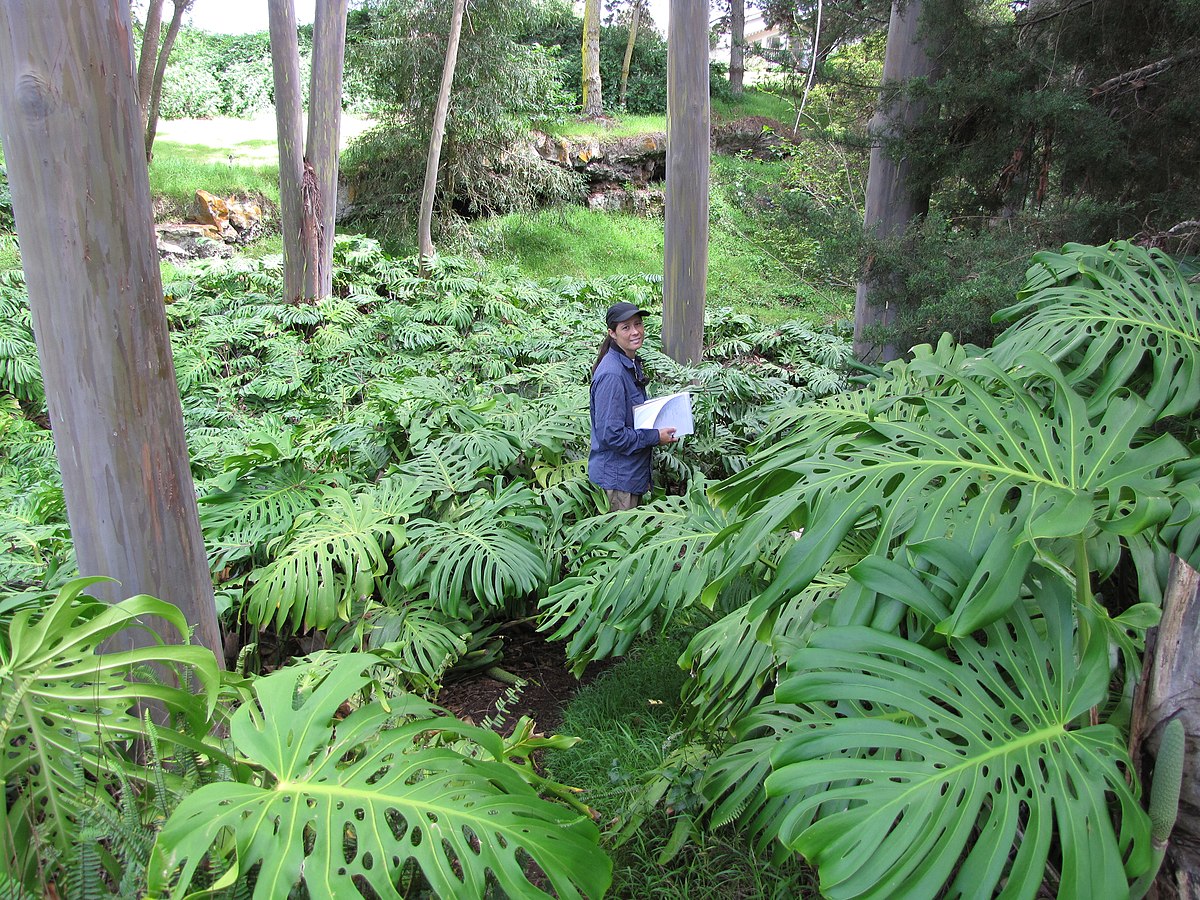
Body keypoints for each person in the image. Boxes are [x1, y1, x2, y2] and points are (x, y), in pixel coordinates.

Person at [588, 301, 677, 510]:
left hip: (629, 477)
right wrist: (655, 437)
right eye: (626, 327)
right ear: (612, 333)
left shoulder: (628, 363)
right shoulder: (612, 374)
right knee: (619, 540)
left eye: (638, 324)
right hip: (618, 483)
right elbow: (612, 435)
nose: (635, 332)